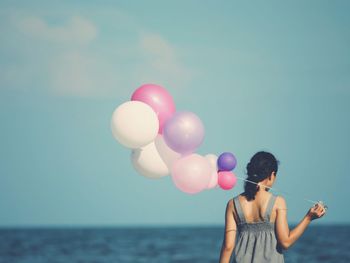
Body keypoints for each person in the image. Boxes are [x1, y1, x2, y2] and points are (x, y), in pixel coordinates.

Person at [219, 151, 327, 263]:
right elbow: (286, 242)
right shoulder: (278, 202)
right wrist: (309, 217)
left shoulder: (232, 204)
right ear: (272, 174)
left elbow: (228, 247)